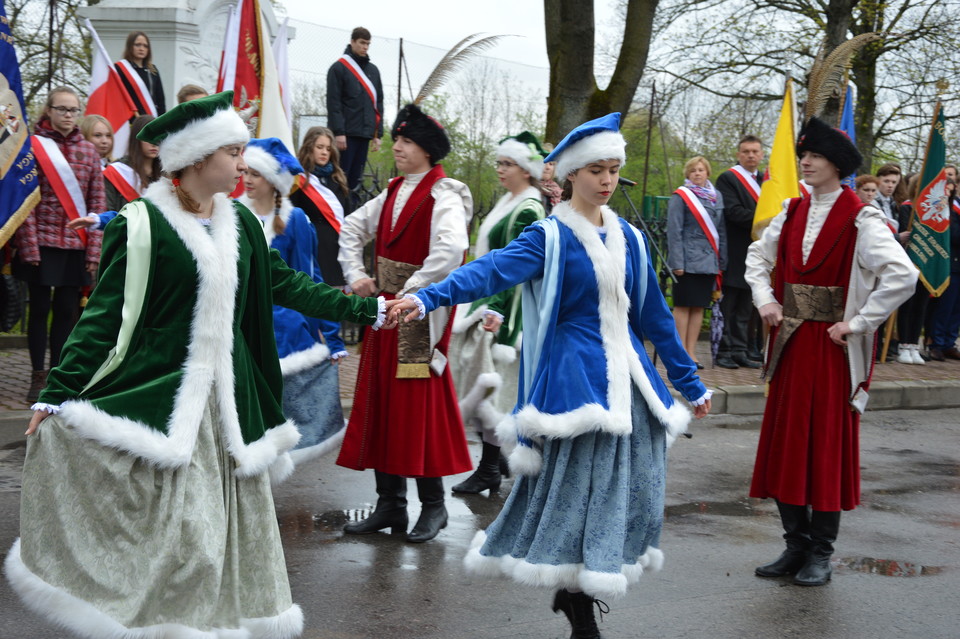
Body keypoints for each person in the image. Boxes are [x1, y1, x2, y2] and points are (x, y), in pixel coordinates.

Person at [4, 91, 392, 638]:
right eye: (233, 152)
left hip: (226, 413)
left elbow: (288, 286)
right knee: (181, 539)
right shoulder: (141, 224)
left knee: (211, 545)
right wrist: (56, 392)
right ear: (196, 158)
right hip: (161, 403)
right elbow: (103, 318)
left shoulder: (242, 226)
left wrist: (367, 310)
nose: (242, 164)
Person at [388, 113, 711, 637]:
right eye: (596, 171)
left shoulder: (629, 236)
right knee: (580, 492)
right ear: (571, 175)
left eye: (613, 170)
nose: (607, 180)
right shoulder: (549, 235)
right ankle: (580, 602)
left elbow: (653, 316)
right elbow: (487, 270)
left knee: (633, 490)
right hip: (574, 382)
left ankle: (580, 588)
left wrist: (689, 382)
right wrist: (427, 297)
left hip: (628, 381)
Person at [745, 116, 916, 587]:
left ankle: (821, 551)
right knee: (786, 445)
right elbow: (757, 257)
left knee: (822, 446)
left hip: (831, 351)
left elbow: (901, 274)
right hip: (792, 346)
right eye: (804, 155)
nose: (805, 161)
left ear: (837, 164)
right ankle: (794, 544)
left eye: (815, 156)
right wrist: (766, 300)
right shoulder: (792, 209)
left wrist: (858, 323)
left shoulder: (861, 217)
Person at [336, 103, 474, 544]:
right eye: (396, 139)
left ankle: (434, 506)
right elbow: (351, 229)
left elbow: (452, 249)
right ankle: (390, 503)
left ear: (428, 151)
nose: (396, 146)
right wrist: (356, 275)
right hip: (385, 312)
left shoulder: (444, 193)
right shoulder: (391, 192)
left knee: (418, 409)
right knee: (380, 402)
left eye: (407, 141)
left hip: (418, 317)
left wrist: (413, 290)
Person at [240, 136, 352, 461]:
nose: (246, 179)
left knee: (283, 419)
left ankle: (278, 502)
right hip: (242, 329)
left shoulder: (295, 221)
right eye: (244, 171)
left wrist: (331, 336)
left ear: (273, 181)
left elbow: (309, 281)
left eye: (255, 174)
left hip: (283, 333)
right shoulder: (232, 216)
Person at [448, 131, 546, 495]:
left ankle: (491, 466)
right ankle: (496, 461)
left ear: (525, 169)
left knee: (488, 386)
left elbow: (515, 267)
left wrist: (498, 311)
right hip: (488, 302)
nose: (500, 170)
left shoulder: (529, 209)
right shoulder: (511, 200)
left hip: (506, 310)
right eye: (500, 163)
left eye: (507, 164)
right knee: (480, 382)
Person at [13, 86, 104, 402]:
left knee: (67, 312)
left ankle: (58, 375)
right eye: (62, 109)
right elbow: (26, 201)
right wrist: (29, 246)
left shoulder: (89, 152)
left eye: (73, 110)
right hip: (40, 242)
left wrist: (93, 250)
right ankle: (37, 375)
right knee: (38, 310)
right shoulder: (33, 147)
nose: (68, 115)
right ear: (49, 110)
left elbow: (97, 203)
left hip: (75, 245)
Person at [667, 155, 726, 368]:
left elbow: (720, 232)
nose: (697, 173)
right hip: (687, 262)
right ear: (688, 174)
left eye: (701, 170)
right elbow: (674, 232)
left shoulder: (716, 196)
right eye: (693, 170)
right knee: (683, 306)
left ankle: (691, 352)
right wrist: (677, 263)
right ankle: (679, 351)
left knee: (699, 307)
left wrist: (721, 262)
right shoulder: (681, 196)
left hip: (709, 262)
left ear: (707, 172)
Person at [715, 135, 763, 370]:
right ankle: (724, 351)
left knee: (746, 307)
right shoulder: (729, 178)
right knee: (729, 306)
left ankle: (740, 350)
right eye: (746, 151)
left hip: (757, 252)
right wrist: (767, 220)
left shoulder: (766, 180)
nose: (751, 155)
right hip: (734, 250)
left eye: (755, 151)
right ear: (738, 154)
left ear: (762, 155)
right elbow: (733, 212)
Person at [326, 26, 384, 199]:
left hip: (364, 134)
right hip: (345, 135)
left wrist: (377, 133)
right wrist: (339, 132)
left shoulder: (373, 71)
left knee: (355, 181)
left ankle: (349, 216)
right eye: (362, 43)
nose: (365, 47)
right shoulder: (338, 68)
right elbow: (334, 103)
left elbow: (378, 102)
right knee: (339, 177)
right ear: (352, 42)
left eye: (368, 44)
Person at [291, 125, 348, 286]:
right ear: (310, 147)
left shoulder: (338, 179)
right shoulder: (298, 179)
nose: (324, 152)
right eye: (320, 147)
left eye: (328, 149)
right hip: (310, 247)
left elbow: (348, 215)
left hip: (336, 249)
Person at [929, 178, 960, 361]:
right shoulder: (950, 209)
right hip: (951, 264)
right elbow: (954, 235)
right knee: (945, 307)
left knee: (957, 309)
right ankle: (937, 343)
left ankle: (950, 342)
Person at [115, 31, 166, 116]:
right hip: (130, 119)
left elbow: (160, 100)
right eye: (138, 45)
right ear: (130, 46)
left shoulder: (153, 70)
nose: (141, 48)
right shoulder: (121, 69)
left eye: (145, 46)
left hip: (150, 118)